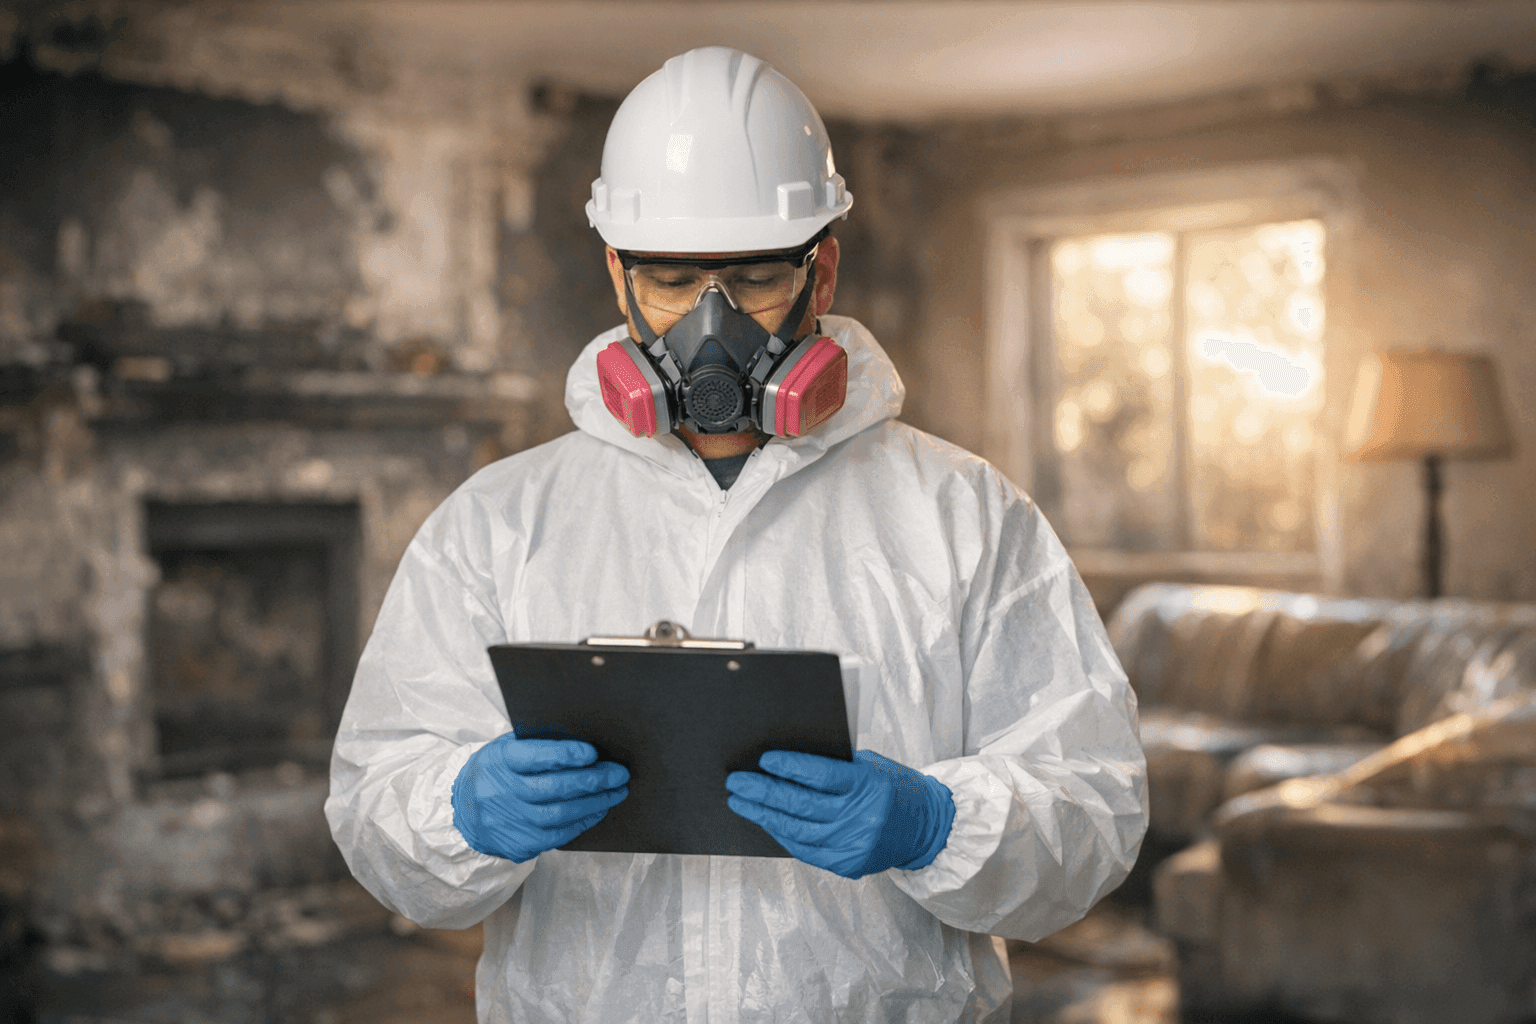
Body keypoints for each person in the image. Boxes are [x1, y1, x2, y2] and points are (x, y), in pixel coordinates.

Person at [326, 45, 1147, 1024]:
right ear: (617, 276)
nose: (711, 328)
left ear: (822, 269)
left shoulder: (965, 515)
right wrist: (460, 808)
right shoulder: (499, 522)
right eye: (671, 280)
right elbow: (375, 795)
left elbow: (1096, 807)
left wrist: (934, 822)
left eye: (756, 277)